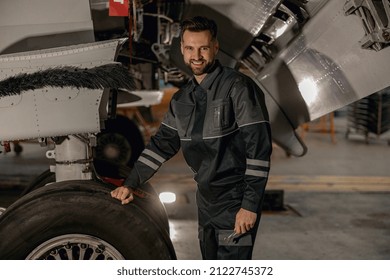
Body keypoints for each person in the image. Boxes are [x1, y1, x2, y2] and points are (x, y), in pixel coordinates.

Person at [111, 15, 272, 260]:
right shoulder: (182, 99)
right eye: (190, 48)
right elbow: (160, 146)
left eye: (203, 48)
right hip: (206, 202)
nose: (196, 56)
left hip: (235, 202)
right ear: (182, 50)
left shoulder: (238, 88)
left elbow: (258, 151)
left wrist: (249, 206)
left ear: (215, 48)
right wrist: (130, 184)